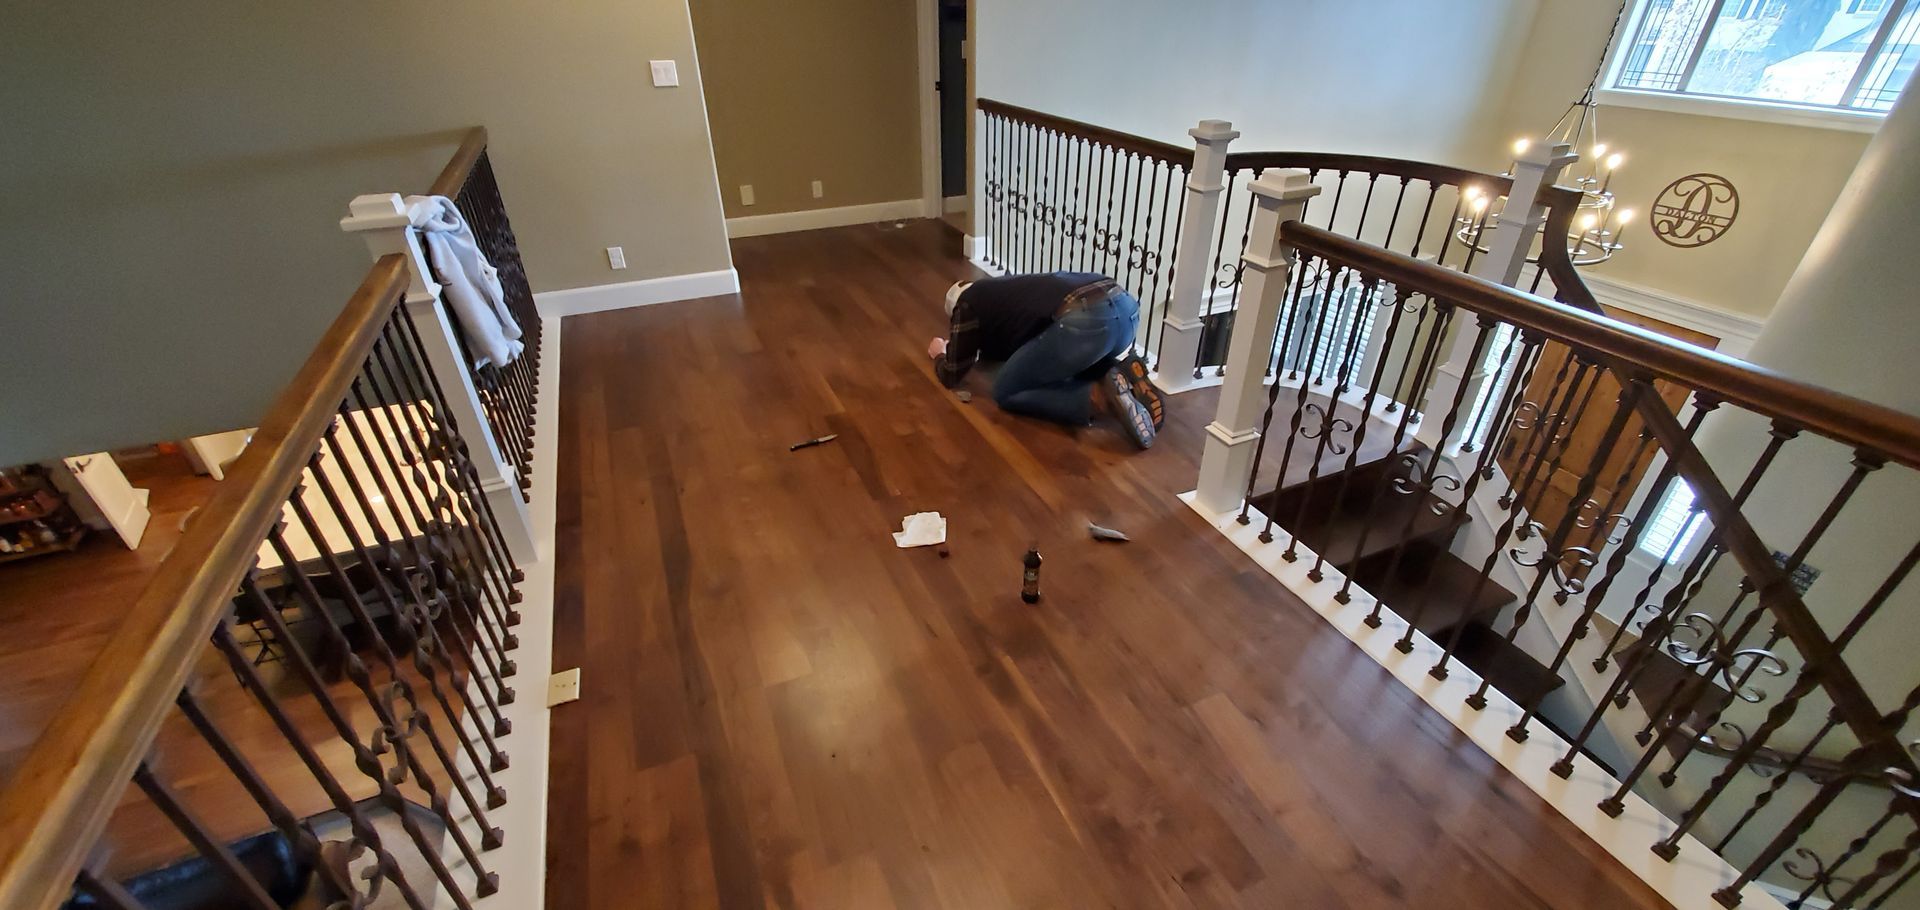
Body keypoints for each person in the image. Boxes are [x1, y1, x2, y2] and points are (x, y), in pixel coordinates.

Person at [928, 272, 1165, 448]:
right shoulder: (1007, 289)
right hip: (1126, 311)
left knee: (1005, 390)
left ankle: (1098, 398)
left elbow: (953, 373)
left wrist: (940, 353)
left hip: (1087, 323)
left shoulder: (967, 303)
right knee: (1073, 357)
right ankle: (1119, 372)